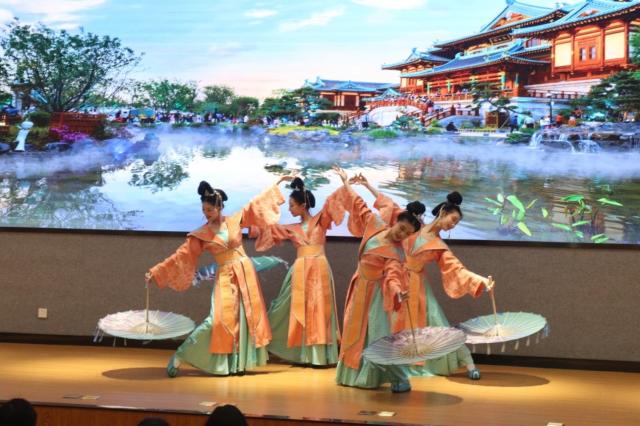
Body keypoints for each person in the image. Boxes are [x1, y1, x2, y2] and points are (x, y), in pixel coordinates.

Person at [350, 173, 495, 380]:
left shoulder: (439, 246)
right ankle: (386, 368)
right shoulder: (413, 225)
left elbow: (457, 269)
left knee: (437, 325)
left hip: (417, 287)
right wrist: (367, 185)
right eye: (453, 219)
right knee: (387, 326)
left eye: (455, 224)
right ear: (443, 212)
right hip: (393, 279)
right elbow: (388, 204)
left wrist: (482, 280)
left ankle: (468, 362)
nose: (452, 225)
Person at [145, 177, 291, 377]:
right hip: (225, 276)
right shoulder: (201, 234)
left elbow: (257, 204)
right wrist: (156, 271)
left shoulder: (235, 220)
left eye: (210, 210)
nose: (207, 214)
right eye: (204, 210)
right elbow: (181, 255)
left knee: (244, 317)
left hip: (245, 273)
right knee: (217, 320)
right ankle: (181, 355)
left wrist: (279, 182)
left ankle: (237, 364)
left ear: (220, 207)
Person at [332, 166, 420, 392]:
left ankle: (400, 378)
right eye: (402, 228)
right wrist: (345, 182)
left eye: (407, 234)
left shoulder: (396, 253)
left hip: (376, 295)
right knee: (354, 331)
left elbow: (393, 276)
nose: (402, 234)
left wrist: (398, 291)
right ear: (396, 221)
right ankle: (353, 375)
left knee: (379, 336)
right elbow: (357, 203)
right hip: (359, 285)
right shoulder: (375, 224)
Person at [250, 177, 345, 366]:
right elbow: (262, 225)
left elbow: (336, 200)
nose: (289, 209)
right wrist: (276, 184)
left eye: (292, 205)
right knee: (285, 308)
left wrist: (345, 183)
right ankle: (285, 347)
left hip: (319, 268)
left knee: (319, 310)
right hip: (300, 270)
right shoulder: (291, 228)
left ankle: (318, 356)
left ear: (303, 206)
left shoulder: (321, 220)